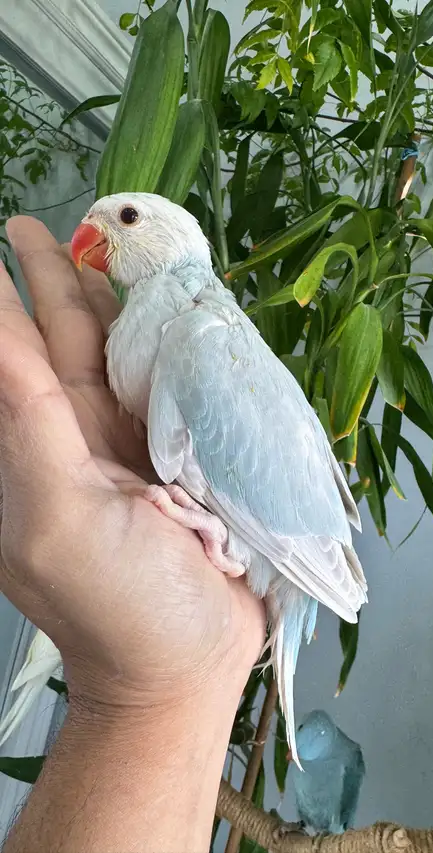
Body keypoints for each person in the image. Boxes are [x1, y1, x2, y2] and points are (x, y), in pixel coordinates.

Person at [0, 215, 266, 853]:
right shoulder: (154, 316)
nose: (93, 233)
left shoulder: (205, 329)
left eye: (123, 218)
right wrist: (172, 686)